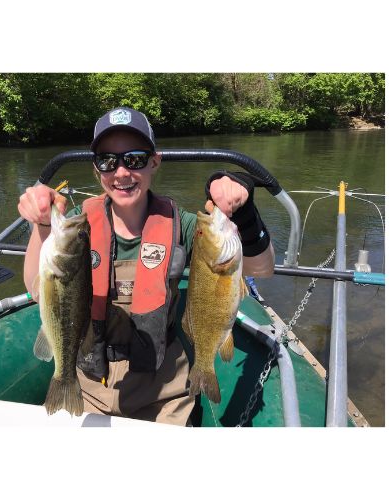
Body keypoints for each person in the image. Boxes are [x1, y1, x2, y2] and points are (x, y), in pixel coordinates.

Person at [18, 107, 275, 426]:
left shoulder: (183, 225)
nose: (121, 173)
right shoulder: (76, 229)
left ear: (155, 162)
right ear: (97, 170)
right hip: (88, 386)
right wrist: (43, 225)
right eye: (107, 161)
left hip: (165, 391)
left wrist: (245, 212)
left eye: (135, 159)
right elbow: (36, 288)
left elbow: (262, 269)